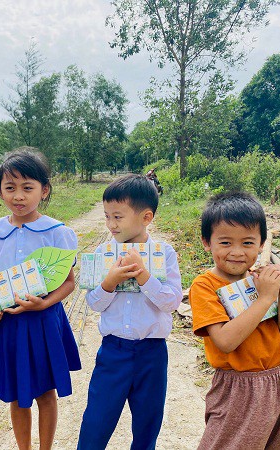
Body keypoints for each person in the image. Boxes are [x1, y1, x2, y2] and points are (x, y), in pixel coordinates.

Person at [0, 149, 81, 450]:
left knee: (45, 393)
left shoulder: (58, 233)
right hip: (7, 324)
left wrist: (45, 303)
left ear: (44, 190)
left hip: (44, 322)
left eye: (27, 187)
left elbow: (69, 283)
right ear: (0, 191)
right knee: (17, 394)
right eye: (10, 188)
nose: (18, 196)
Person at [189, 191, 280, 450]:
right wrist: (264, 299)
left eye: (247, 243)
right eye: (225, 243)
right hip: (238, 390)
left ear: (261, 244)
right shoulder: (205, 286)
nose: (236, 252)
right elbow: (225, 341)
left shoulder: (265, 279)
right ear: (206, 242)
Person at [77, 174, 183, 450]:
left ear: (146, 217)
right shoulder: (102, 253)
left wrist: (146, 277)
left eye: (118, 217)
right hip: (113, 352)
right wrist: (109, 282)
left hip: (152, 354)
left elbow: (172, 302)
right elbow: (94, 303)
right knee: (96, 422)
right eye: (107, 216)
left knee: (147, 425)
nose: (111, 225)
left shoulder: (164, 253)